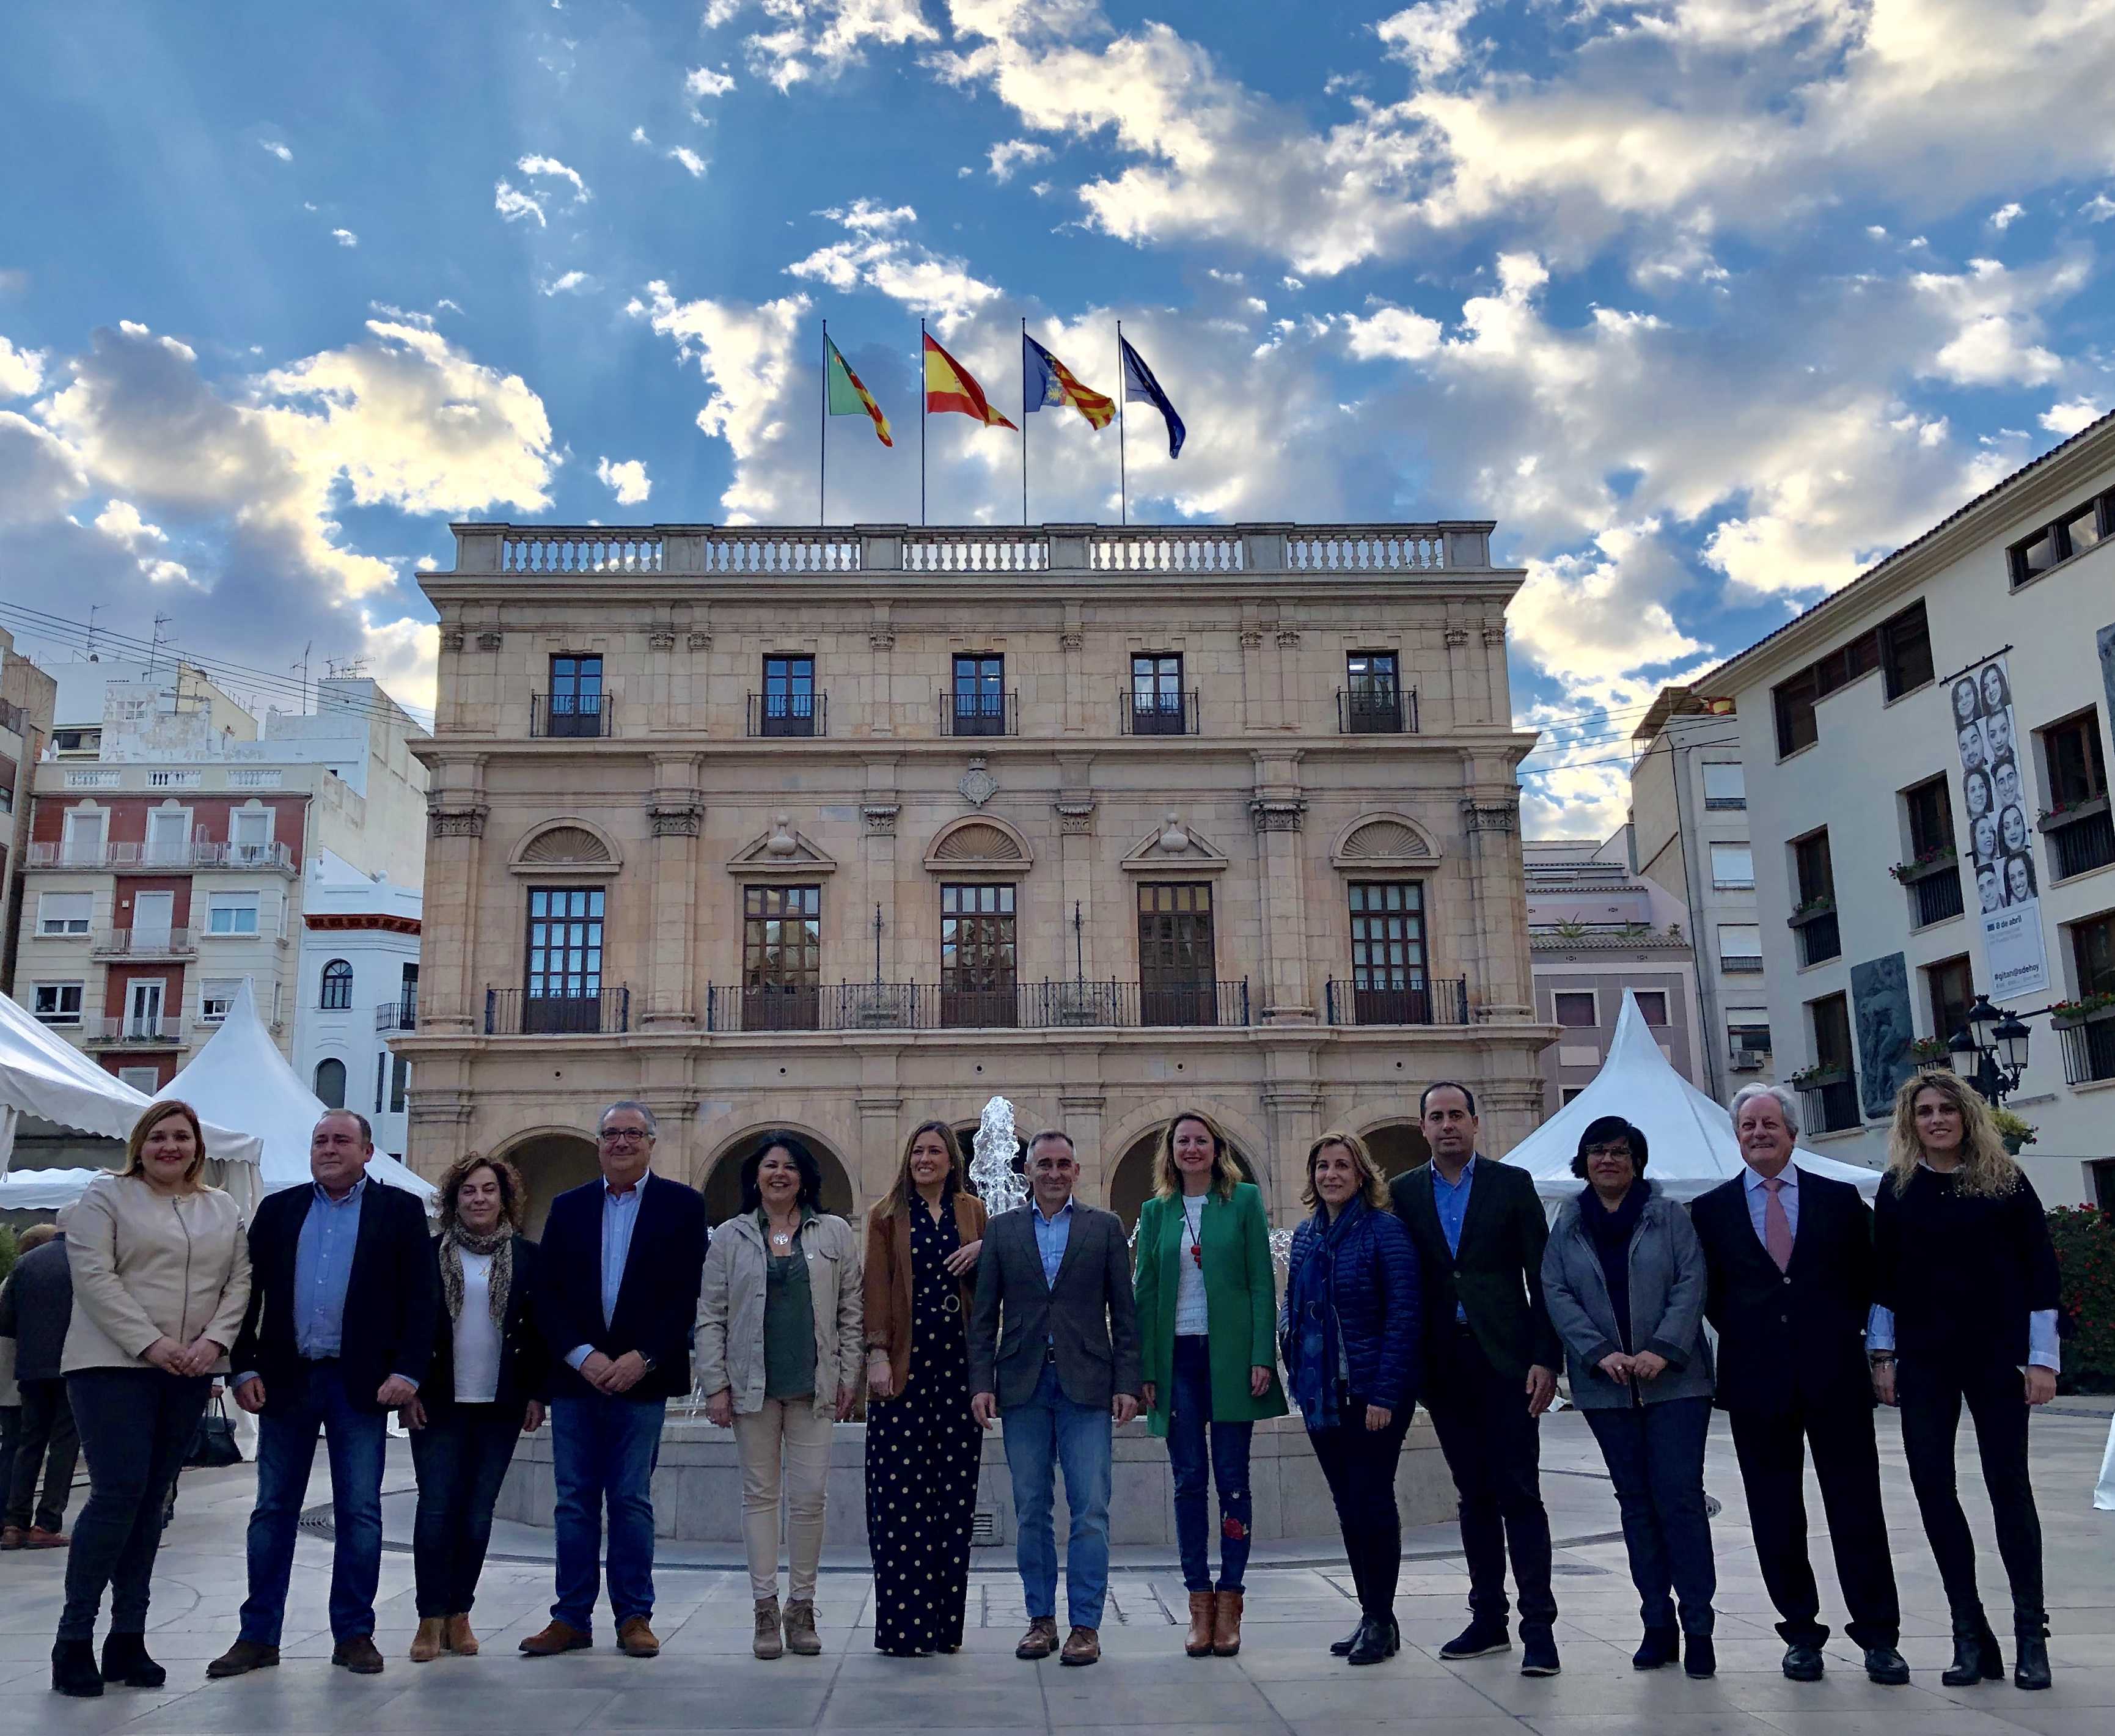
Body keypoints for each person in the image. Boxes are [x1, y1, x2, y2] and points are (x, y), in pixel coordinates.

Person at [1690, 1083, 1907, 1685]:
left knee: (1856, 1508)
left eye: (1767, 1124)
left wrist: (1877, 1353)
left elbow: (1873, 1281)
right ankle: (1800, 1634)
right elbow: (1706, 1294)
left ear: (1790, 1133)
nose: (1757, 1134)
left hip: (1834, 1377)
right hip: (1756, 1383)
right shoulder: (1708, 1212)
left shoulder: (1839, 1202)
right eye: (1746, 1127)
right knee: (1774, 1513)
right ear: (1736, 1138)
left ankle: (1877, 1637)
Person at [210, 1110, 439, 1681]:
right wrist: (241, 1369)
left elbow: (422, 1300)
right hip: (286, 1379)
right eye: (320, 1140)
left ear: (367, 1151)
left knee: (360, 1511)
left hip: (359, 1383)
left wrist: (409, 1372)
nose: (329, 1148)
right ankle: (257, 1634)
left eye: (341, 1140)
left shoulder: (399, 1211)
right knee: (271, 1510)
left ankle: (354, 1634)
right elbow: (243, 1294)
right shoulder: (280, 1210)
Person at [46, 1103, 250, 1699]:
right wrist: (154, 1343)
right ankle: (73, 1638)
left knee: (153, 1501)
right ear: (139, 1145)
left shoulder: (223, 1207)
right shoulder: (105, 1197)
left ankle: (127, 1637)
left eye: (181, 1137)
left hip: (188, 1369)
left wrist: (213, 1343)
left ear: (197, 1148)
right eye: (158, 1136)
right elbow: (95, 1277)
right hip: (110, 1365)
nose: (170, 1146)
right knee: (118, 1494)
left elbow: (240, 1280)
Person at [1870, 1071, 2062, 1691]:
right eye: (1923, 1111)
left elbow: (2040, 1273)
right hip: (1925, 1359)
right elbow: (1884, 1279)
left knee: (2008, 1486)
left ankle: (2030, 1635)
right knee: (1931, 1485)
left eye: (1945, 1110)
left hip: (1996, 1357)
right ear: (1910, 1123)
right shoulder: (1896, 1190)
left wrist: (2041, 1360)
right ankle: (1968, 1633)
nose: (1935, 1120)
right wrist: (1881, 1355)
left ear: (1965, 1117)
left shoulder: (2004, 1183)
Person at [521, 1101, 707, 1661]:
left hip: (643, 1381)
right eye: (611, 1133)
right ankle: (571, 1617)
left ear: (652, 1142)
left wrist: (642, 1357)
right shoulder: (568, 1206)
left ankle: (634, 1616)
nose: (621, 1142)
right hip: (578, 1380)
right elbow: (545, 1294)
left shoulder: (682, 1205)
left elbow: (690, 1294)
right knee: (574, 1501)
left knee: (630, 1500)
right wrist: (582, 1356)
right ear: (598, 1143)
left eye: (632, 1133)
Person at [1391, 1082, 1563, 1676]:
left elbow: (1543, 1279)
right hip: (1443, 1366)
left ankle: (1538, 1628)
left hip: (1508, 1364)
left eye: (1455, 1116)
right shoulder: (1403, 1193)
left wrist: (1546, 1358)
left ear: (1474, 1123)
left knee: (1520, 1492)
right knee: (1473, 1496)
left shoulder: (1510, 1186)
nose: (1446, 1126)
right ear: (1422, 1128)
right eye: (1435, 1117)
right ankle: (1487, 1618)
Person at [1539, 1116, 1717, 1680]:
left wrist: (1663, 1348)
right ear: (1583, 1161)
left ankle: (1699, 1627)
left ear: (1637, 1160)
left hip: (1675, 1384)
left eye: (1619, 1151)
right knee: (1635, 1504)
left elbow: (1692, 1282)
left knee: (1680, 1500)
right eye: (1597, 1151)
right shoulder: (1567, 1223)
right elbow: (1555, 1291)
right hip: (1606, 1386)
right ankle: (1656, 1623)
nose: (1608, 1160)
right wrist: (1598, 1353)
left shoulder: (1668, 1217)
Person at [968, 1129, 1141, 1669]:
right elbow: (982, 1318)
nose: (1054, 1172)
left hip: (1086, 1384)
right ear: (1028, 1170)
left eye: (1063, 1163)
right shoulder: (1001, 1230)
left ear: (1076, 1170)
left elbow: (1125, 1312)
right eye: (1044, 1163)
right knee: (1031, 1509)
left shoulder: (1104, 1228)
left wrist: (1127, 1382)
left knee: (1089, 1509)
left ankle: (1085, 1625)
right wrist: (980, 1382)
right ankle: (1040, 1619)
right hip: (1021, 1383)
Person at [697, 1132, 862, 1660]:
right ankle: (765, 1608)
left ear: (804, 1176)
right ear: (756, 1175)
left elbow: (850, 1310)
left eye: (790, 1166)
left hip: (813, 1387)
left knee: (810, 1498)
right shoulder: (729, 1236)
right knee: (760, 1496)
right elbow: (711, 1314)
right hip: (752, 1388)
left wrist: (848, 1375)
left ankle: (802, 1605)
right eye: (770, 1165)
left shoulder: (833, 1232)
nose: (779, 1174)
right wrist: (715, 1383)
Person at [1132, 1110, 1286, 1658]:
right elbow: (1145, 1291)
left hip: (1228, 1358)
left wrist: (1259, 1353)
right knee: (1189, 1480)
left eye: (1200, 1140)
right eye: (1182, 1141)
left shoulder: (1241, 1201)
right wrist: (1146, 1368)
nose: (1191, 1149)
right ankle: (1198, 1602)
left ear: (1216, 1147)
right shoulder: (1155, 1212)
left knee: (1233, 1479)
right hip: (1176, 1359)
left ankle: (1231, 1601)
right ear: (1170, 1152)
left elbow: (1260, 1282)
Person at [403, 1153, 548, 1663]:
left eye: (489, 1190)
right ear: (454, 1199)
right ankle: (429, 1616)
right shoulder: (426, 1255)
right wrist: (410, 1389)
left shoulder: (528, 1257)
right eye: (469, 1191)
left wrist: (536, 1392)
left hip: (500, 1404)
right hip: (439, 1400)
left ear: (504, 1197)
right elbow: (407, 1330)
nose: (479, 1199)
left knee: (477, 1514)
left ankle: (460, 1611)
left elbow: (538, 1334)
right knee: (437, 1509)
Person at [1281, 1132, 1418, 1666]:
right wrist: (1296, 1365)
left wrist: (1385, 1393)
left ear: (1362, 1174)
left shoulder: (1385, 1233)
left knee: (1372, 1501)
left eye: (1342, 1166)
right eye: (1322, 1166)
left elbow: (1404, 1317)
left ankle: (1381, 1618)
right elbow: (1292, 1307)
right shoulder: (1306, 1236)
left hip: (1371, 1394)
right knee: (1348, 1506)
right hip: (1323, 1397)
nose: (1331, 1174)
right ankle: (1370, 1613)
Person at [862, 1121, 987, 1658]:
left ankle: (943, 1628)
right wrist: (876, 1353)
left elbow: (997, 1279)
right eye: (917, 1150)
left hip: (958, 1371)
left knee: (953, 1502)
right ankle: (903, 1630)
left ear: (952, 1159)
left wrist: (985, 1247)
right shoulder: (886, 1215)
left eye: (935, 1150)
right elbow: (876, 1286)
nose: (925, 1158)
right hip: (905, 1370)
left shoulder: (971, 1212)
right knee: (898, 1501)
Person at [0, 1221, 79, 1551]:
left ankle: (14, 1524)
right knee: (63, 1444)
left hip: (30, 1368)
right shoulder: (87, 1261)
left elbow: (6, 1321)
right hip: (74, 1365)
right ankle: (46, 1523)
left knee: (28, 1444)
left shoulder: (25, 1263)